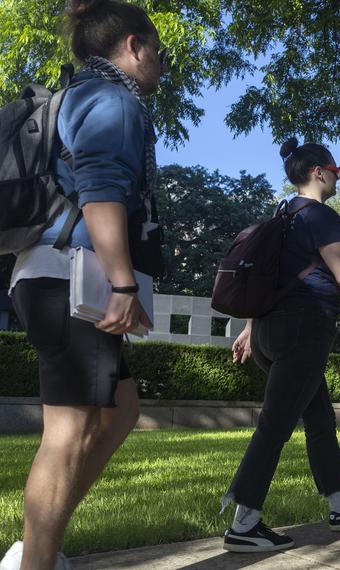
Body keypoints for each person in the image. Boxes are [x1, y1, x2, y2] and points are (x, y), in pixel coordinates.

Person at [0, 2, 164, 569]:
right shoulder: (112, 100)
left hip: (52, 273)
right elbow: (99, 192)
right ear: (134, 46)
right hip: (74, 277)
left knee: (121, 408)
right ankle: (36, 561)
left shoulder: (79, 92)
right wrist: (122, 285)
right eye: (158, 52)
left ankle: (37, 547)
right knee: (66, 433)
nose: (161, 65)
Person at [221, 138, 340, 552]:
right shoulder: (321, 216)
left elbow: (268, 276)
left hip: (269, 331)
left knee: (318, 416)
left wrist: (251, 329)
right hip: (303, 330)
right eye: (336, 171)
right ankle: (244, 524)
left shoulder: (282, 214)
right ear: (319, 172)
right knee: (275, 425)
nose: (338, 177)